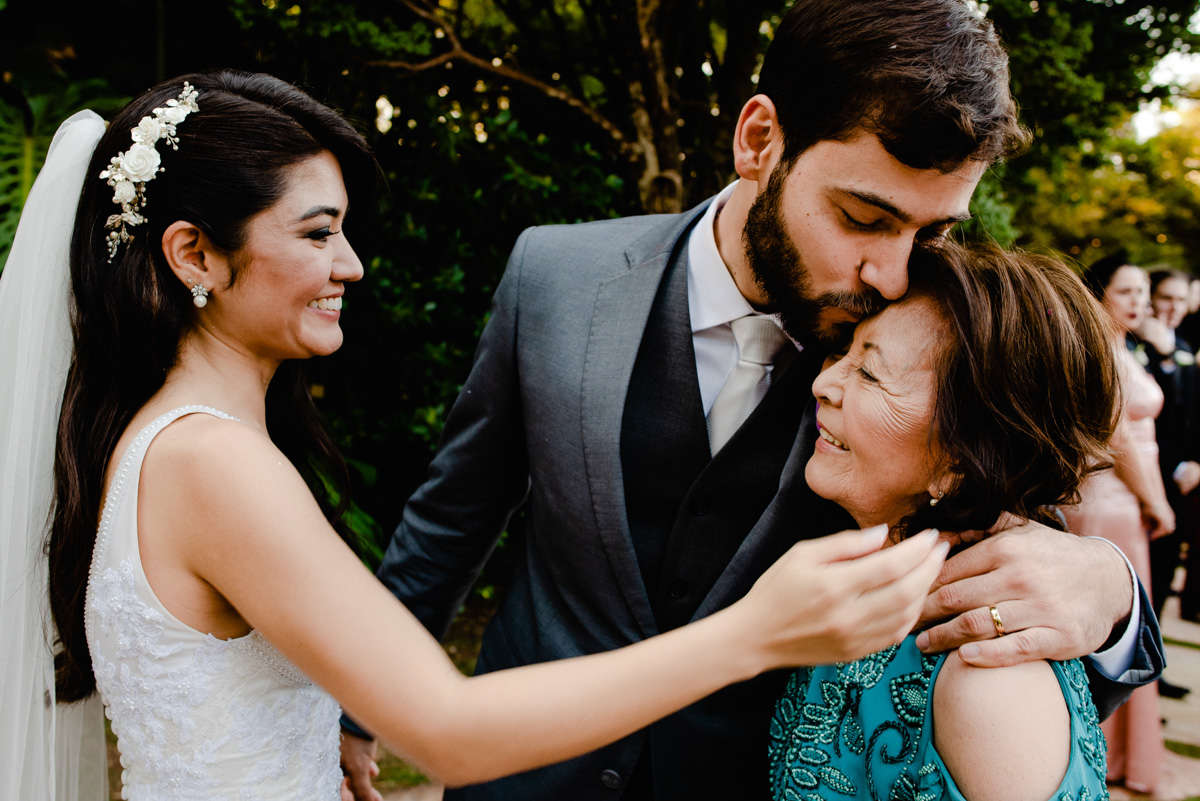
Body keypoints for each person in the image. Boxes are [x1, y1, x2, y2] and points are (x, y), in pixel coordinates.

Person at [0, 71, 954, 801]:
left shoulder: (165, 441)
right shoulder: (212, 463)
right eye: (318, 233)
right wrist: (754, 631)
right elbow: (446, 724)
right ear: (194, 253)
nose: (354, 265)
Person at [341, 2, 1164, 800]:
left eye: (933, 232)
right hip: (523, 774)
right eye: (863, 216)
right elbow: (453, 516)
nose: (892, 271)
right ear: (760, 139)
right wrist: (357, 708)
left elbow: (1004, 529)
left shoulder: (918, 340)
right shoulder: (555, 276)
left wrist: (1114, 595)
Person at [770, 242, 1116, 801]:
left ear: (962, 459)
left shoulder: (989, 675)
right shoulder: (869, 574)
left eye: (871, 374)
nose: (824, 384)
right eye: (845, 354)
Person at [1064, 254, 1174, 794]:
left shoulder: (1121, 347)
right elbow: (1119, 439)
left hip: (1124, 500)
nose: (1140, 302)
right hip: (1112, 499)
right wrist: (1158, 503)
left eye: (1143, 292)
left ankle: (1123, 754)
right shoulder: (1097, 349)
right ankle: (1100, 750)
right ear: (1100, 291)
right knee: (1112, 628)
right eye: (1127, 291)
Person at [1139, 269, 1200, 698]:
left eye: (1181, 299)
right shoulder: (1141, 346)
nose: (1173, 307)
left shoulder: (1185, 346)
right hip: (1146, 476)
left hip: (1183, 478)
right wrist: (1162, 358)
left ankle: (1154, 670)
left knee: (1163, 574)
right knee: (1145, 577)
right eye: (1166, 298)